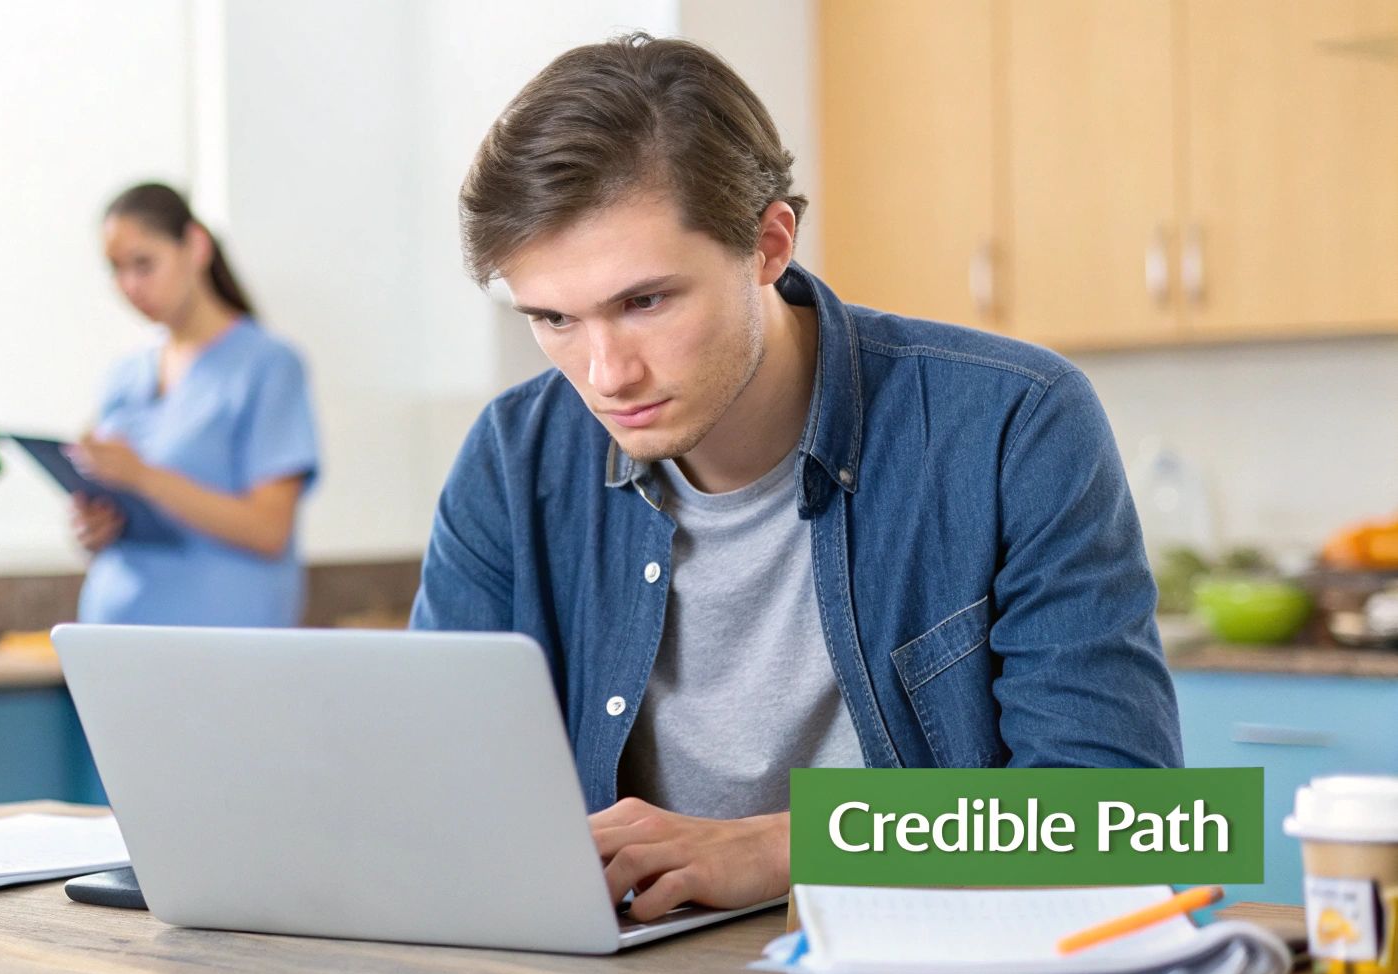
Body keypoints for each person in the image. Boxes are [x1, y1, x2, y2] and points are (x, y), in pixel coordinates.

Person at [410, 34, 1183, 922]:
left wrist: (790, 846)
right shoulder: (513, 458)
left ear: (769, 244)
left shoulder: (1015, 420)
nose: (606, 374)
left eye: (645, 301)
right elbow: (436, 800)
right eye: (553, 318)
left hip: (930, 963)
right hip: (632, 971)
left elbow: (1136, 824)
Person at [68, 184, 319, 627]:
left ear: (197, 246)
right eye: (116, 269)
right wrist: (94, 528)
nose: (129, 286)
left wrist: (143, 477)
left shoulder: (268, 366)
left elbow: (269, 529)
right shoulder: (124, 377)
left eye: (144, 264)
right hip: (115, 632)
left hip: (222, 642)